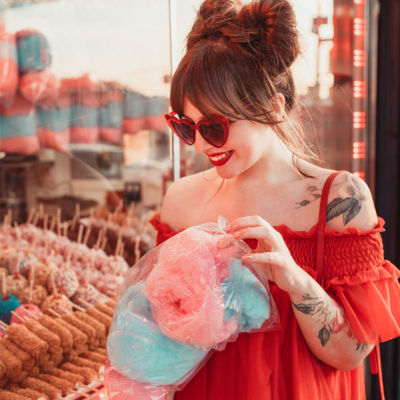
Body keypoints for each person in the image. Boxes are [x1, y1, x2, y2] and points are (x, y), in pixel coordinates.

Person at [150, 0, 400, 398]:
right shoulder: (180, 200)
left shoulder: (338, 197)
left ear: (272, 106)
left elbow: (353, 353)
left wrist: (293, 279)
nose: (198, 145)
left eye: (214, 127)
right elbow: (164, 330)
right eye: (183, 126)